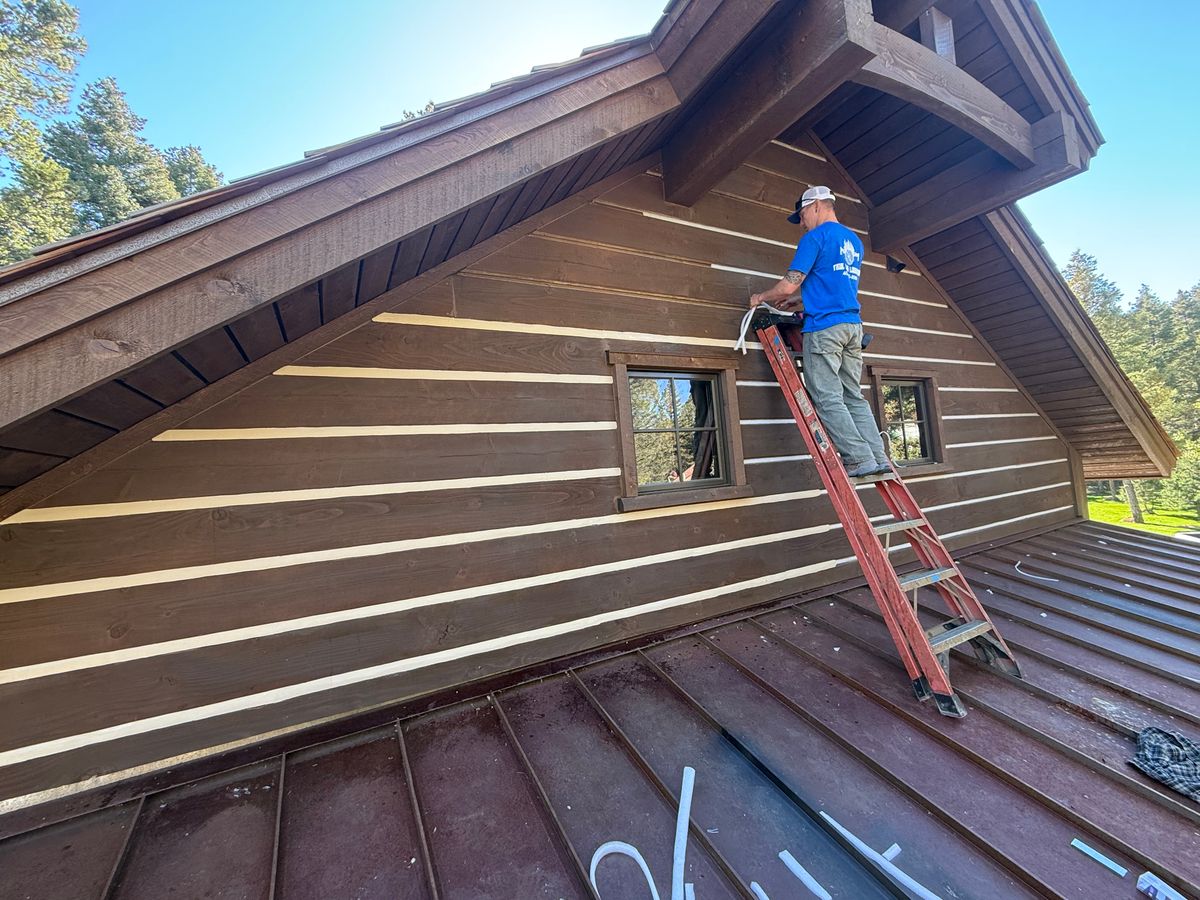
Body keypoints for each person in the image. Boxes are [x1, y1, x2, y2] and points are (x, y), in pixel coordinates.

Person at [748, 185, 890, 477]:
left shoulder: (815, 238)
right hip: (852, 326)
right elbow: (833, 284)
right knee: (852, 395)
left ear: (816, 206)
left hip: (825, 329)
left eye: (802, 216)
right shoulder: (853, 242)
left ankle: (858, 458)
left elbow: (788, 285)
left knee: (826, 396)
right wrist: (802, 301)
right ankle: (879, 457)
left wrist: (761, 297)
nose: (802, 224)